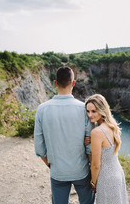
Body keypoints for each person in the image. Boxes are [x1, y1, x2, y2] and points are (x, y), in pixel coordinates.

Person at [34, 66, 95, 204]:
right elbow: (90, 144)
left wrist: (50, 164)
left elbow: (39, 146)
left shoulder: (42, 110)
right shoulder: (83, 109)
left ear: (55, 83)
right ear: (73, 83)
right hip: (81, 170)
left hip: (58, 172)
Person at [85, 94, 128, 204]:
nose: (90, 115)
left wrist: (93, 183)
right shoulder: (111, 126)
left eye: (94, 111)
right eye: (88, 111)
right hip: (118, 174)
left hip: (106, 178)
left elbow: (96, 165)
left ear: (101, 110)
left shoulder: (96, 132)